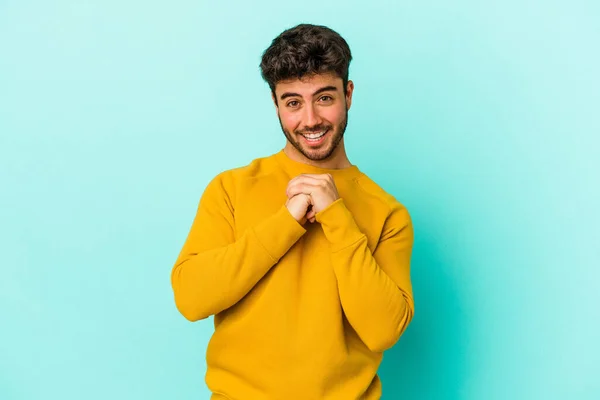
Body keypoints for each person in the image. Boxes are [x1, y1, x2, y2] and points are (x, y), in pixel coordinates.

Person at [170, 23, 415, 400]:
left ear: (348, 94)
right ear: (276, 104)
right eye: (293, 102)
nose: (311, 119)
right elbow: (191, 298)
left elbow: (383, 330)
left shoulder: (387, 213)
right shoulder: (232, 189)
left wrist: (337, 217)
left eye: (325, 97)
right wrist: (286, 222)